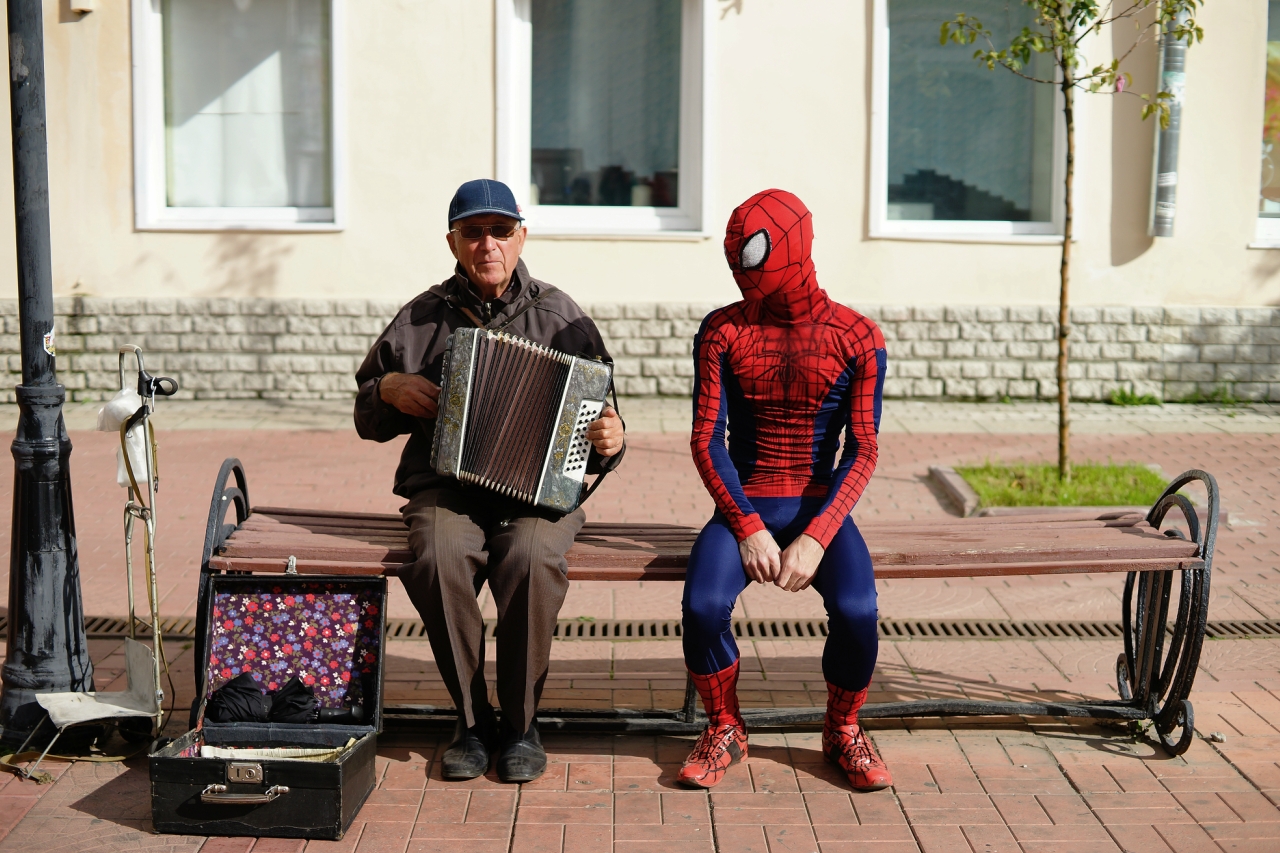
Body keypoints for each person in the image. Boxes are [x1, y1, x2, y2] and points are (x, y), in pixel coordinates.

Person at [353, 179, 625, 783]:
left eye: (501, 231)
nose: (488, 245)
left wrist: (613, 439)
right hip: (445, 486)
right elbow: (366, 417)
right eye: (473, 233)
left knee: (530, 558)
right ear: (452, 242)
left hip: (538, 494)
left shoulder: (562, 317)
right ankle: (472, 723)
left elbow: (604, 419)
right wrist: (388, 390)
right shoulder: (422, 317)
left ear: (522, 236)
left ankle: (522, 724)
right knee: (439, 556)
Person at [678, 189, 891, 792]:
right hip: (744, 502)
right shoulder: (722, 330)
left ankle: (842, 727)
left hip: (819, 503)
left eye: (754, 254)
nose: (744, 270)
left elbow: (864, 447)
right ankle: (725, 725)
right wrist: (745, 524)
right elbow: (706, 438)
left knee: (857, 610)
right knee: (700, 607)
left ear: (793, 246)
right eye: (737, 257)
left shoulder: (857, 336)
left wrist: (819, 537)